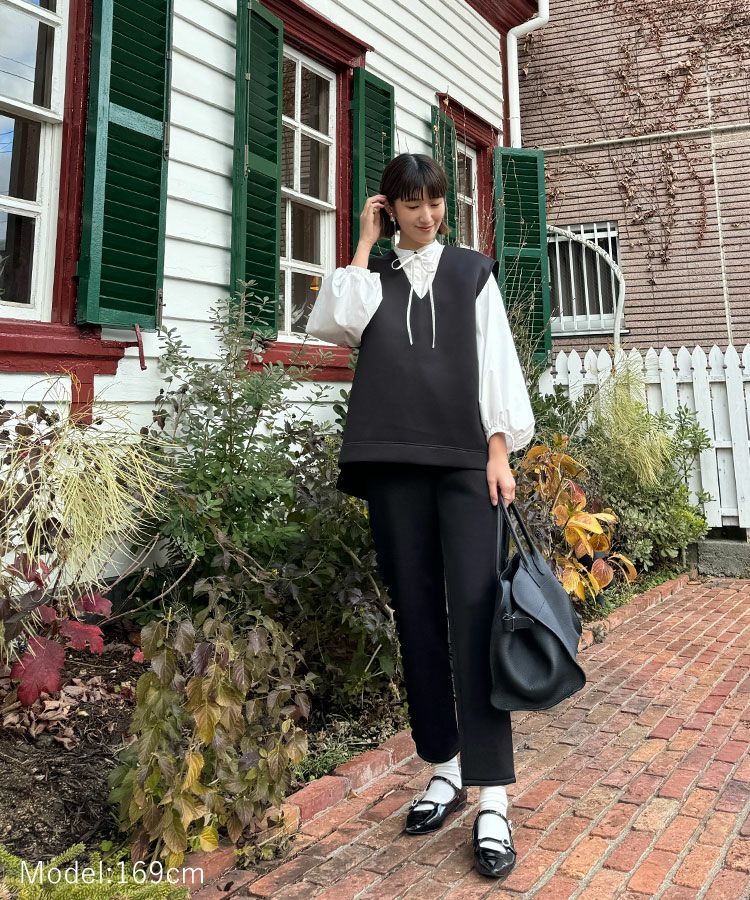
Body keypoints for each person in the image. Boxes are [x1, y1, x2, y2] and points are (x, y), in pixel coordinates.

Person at [305, 152, 535, 880]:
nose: (427, 215)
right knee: (416, 616)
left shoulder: (472, 273)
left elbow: (497, 364)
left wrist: (499, 452)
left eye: (435, 201)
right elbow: (334, 323)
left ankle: (492, 795)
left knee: (476, 615)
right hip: (393, 463)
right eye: (411, 204)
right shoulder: (372, 280)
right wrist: (363, 243)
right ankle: (444, 767)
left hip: (467, 463)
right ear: (390, 207)